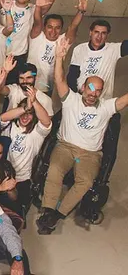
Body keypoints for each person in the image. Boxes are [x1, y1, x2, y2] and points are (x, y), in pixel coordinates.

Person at [37, 38, 128, 234]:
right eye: (90, 89)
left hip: (90, 154)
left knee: (85, 182)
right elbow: (60, 80)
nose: (93, 94)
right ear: (83, 88)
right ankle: (48, 209)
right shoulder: (71, 99)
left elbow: (124, 100)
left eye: (98, 91)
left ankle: (58, 214)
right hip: (65, 147)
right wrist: (59, 57)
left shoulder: (105, 107)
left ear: (101, 93)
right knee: (54, 170)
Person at [67, 19, 128, 100]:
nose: (99, 37)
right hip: (81, 98)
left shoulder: (114, 49)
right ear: (90, 32)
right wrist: (75, 96)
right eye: (96, 32)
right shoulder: (80, 49)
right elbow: (72, 76)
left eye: (103, 33)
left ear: (107, 35)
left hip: (102, 102)